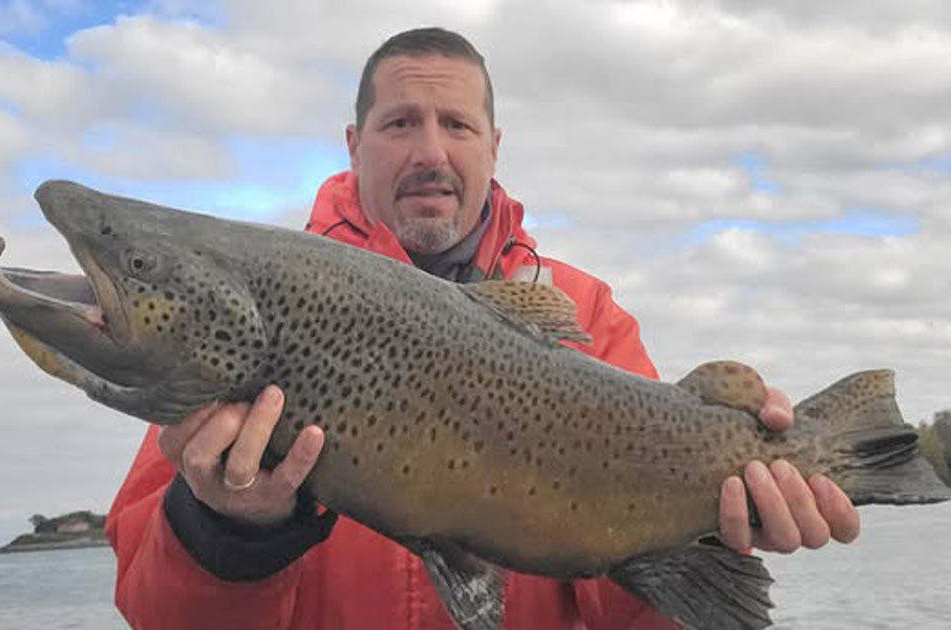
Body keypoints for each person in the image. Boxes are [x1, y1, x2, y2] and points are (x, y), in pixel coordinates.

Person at [105, 27, 860, 629]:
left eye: (456, 124)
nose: (430, 151)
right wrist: (225, 534)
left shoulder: (589, 312)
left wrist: (718, 529)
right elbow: (155, 611)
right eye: (400, 123)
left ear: (493, 146)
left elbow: (626, 615)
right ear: (353, 143)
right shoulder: (249, 314)